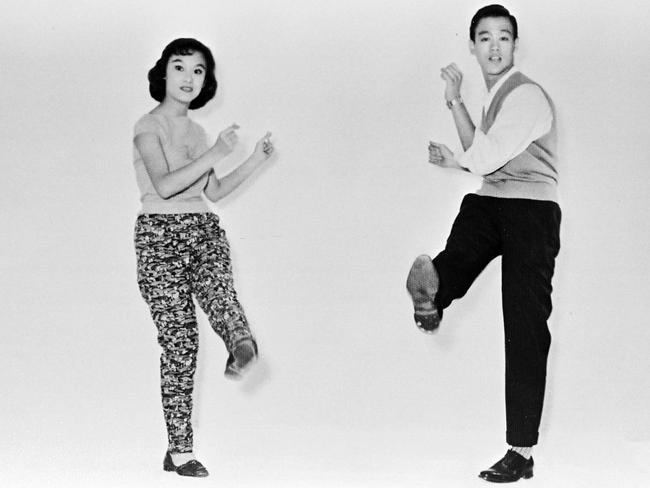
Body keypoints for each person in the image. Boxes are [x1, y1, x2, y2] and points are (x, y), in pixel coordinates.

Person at [406, 5, 560, 483]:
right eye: (485, 38)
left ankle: (521, 452)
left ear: (515, 46)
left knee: (525, 326)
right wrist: (454, 101)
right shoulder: (495, 99)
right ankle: (434, 293)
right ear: (472, 46)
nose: (494, 47)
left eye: (504, 38)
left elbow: (485, 156)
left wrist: (458, 161)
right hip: (494, 201)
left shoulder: (528, 96)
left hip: (533, 212)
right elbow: (486, 161)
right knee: (474, 213)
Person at [132, 38, 274, 477]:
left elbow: (212, 191)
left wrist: (253, 160)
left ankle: (239, 344)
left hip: (202, 229)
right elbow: (166, 184)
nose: (189, 78)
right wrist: (215, 153)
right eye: (180, 67)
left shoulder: (198, 132)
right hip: (159, 237)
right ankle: (179, 452)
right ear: (163, 73)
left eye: (198, 70)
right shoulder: (147, 126)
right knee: (181, 343)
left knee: (219, 290)